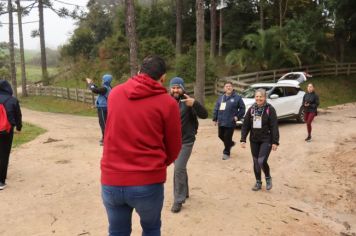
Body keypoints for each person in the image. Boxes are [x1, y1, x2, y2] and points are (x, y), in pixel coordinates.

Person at [101, 56, 182, 236]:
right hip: (147, 181)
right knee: (151, 228)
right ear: (163, 78)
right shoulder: (168, 103)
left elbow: (110, 131)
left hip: (111, 179)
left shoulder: (114, 94)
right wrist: (158, 165)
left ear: (139, 72)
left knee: (117, 232)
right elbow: (175, 146)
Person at [169, 77, 208, 213]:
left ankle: (178, 200)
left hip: (186, 141)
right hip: (171, 142)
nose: (175, 90)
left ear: (183, 88)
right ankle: (184, 192)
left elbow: (204, 115)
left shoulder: (188, 102)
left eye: (178, 87)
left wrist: (195, 104)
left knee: (178, 168)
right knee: (181, 168)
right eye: (173, 87)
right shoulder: (167, 102)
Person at [240, 89, 279, 191]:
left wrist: (275, 142)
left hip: (266, 139)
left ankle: (268, 177)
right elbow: (246, 125)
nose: (258, 98)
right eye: (257, 96)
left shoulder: (270, 109)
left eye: (261, 96)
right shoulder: (252, 109)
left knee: (261, 161)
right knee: (256, 161)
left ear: (265, 97)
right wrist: (243, 139)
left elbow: (274, 126)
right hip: (254, 139)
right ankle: (258, 182)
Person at [213, 81, 245, 160]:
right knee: (220, 135)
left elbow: (242, 108)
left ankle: (226, 153)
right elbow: (216, 108)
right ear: (224, 88)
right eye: (226, 86)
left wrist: (237, 117)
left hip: (230, 122)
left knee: (227, 137)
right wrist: (215, 118)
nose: (228, 87)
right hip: (221, 121)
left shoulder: (237, 97)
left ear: (232, 87)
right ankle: (230, 143)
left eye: (230, 86)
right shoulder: (221, 97)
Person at [0, 80, 22, 190]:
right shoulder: (12, 100)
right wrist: (18, 128)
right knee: (3, 154)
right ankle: (1, 181)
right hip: (6, 131)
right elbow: (18, 115)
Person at [86, 74, 113, 146]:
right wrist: (93, 84)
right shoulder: (108, 87)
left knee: (103, 124)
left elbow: (94, 90)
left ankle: (106, 140)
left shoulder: (105, 88)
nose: (102, 80)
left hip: (103, 108)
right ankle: (105, 138)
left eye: (103, 79)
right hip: (104, 107)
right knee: (105, 123)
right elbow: (98, 89)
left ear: (105, 80)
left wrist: (90, 83)